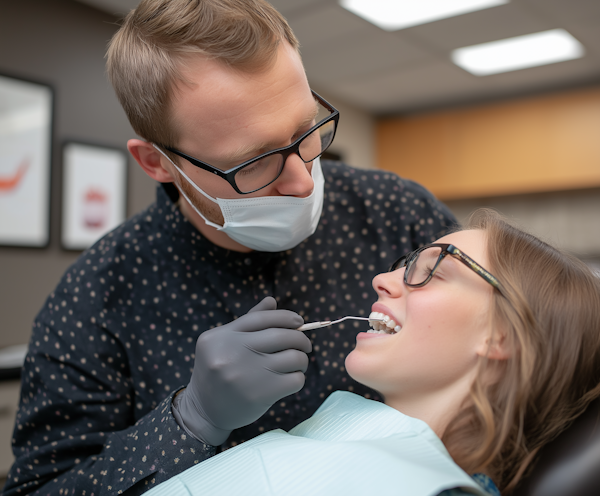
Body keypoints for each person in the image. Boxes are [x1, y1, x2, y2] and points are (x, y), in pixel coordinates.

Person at [3, 1, 457, 495]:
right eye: (254, 163)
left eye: (305, 132)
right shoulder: (94, 299)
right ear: (157, 162)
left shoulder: (398, 214)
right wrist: (190, 420)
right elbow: (40, 488)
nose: (303, 183)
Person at [140, 209, 600, 496]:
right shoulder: (340, 437)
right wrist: (196, 419)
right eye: (405, 264)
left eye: (431, 270)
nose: (382, 278)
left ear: (503, 336)